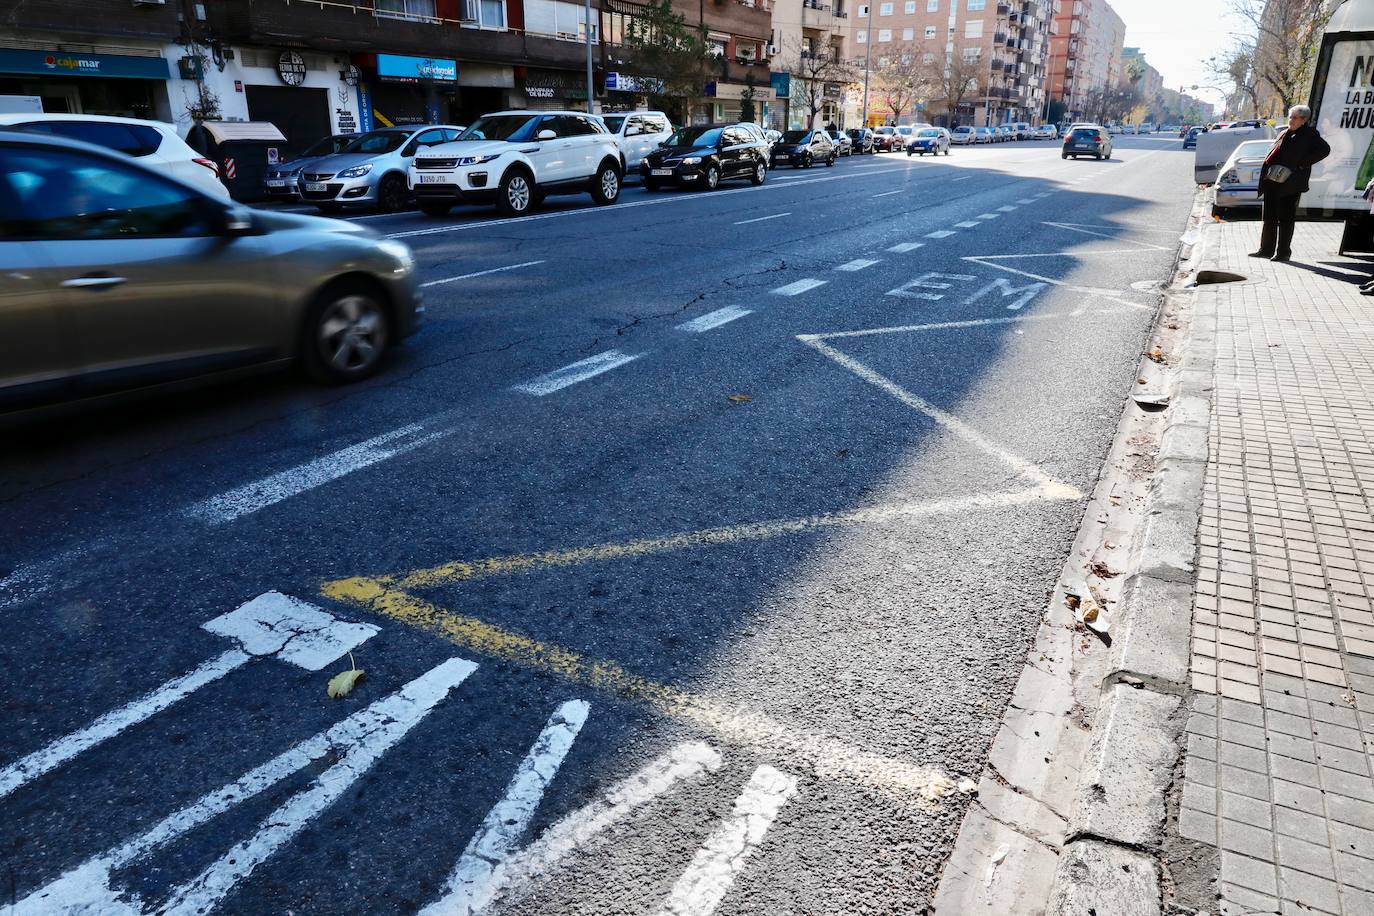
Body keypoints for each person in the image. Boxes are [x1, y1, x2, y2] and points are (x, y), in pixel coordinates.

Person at [1250, 104, 1331, 263]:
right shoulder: (1283, 132)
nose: (1291, 120)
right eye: (1291, 117)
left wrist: (1302, 164)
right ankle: (1266, 250)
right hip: (1272, 181)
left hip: (1290, 183)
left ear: (1304, 120)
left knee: (1285, 219)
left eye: (1295, 118)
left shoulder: (1309, 134)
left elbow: (1325, 150)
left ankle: (1283, 253)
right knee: (1269, 217)